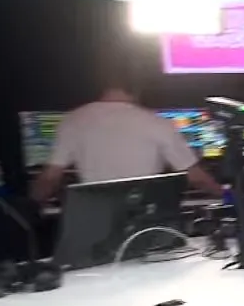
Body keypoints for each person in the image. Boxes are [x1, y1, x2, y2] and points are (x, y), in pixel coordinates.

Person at [31, 59, 222, 204]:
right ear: (137, 88)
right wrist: (228, 196)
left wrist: (31, 206)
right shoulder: (157, 123)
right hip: (145, 220)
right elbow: (197, 178)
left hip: (96, 220)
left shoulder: (73, 120)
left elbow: (50, 178)